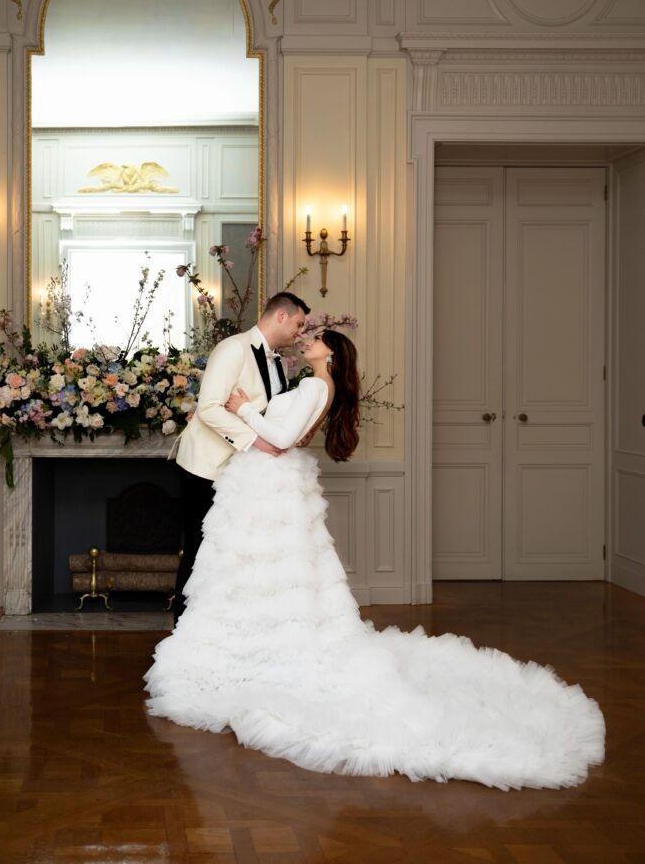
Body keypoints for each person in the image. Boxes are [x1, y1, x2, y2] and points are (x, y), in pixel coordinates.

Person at [146, 330, 605, 790]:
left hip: (272, 481)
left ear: (330, 352)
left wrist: (244, 409)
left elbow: (283, 438)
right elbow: (293, 432)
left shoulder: (315, 385)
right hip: (268, 482)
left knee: (268, 570)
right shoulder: (314, 384)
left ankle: (259, 650)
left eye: (316, 338)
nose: (308, 340)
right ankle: (253, 642)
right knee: (264, 571)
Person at [170, 291, 310, 624]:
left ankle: (218, 627)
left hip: (240, 472)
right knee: (199, 549)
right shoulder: (233, 348)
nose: (300, 332)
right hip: (205, 466)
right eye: (299, 324)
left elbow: (270, 414)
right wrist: (257, 441)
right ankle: (183, 630)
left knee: (228, 553)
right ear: (281, 316)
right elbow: (208, 408)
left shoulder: (279, 363)